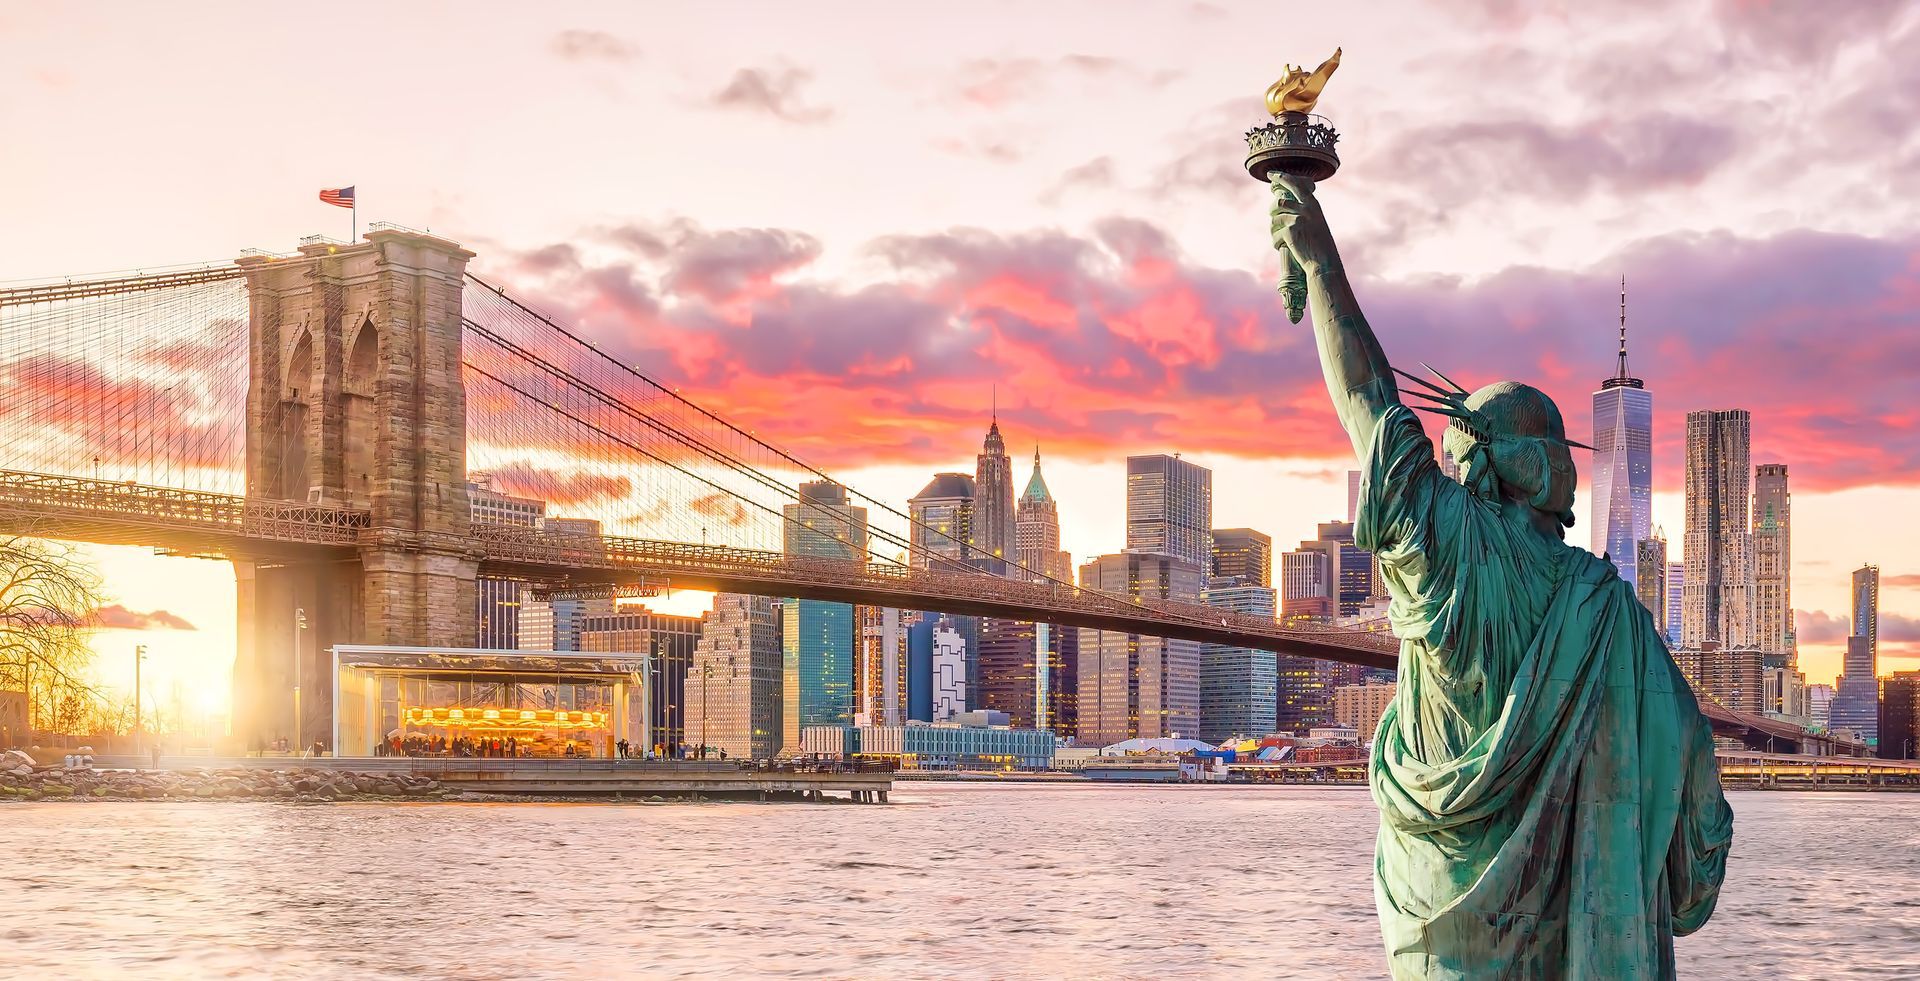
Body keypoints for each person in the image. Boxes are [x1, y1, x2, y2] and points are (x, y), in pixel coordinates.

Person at [1266, 171, 1731, 977]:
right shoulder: (1608, 610)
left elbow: (1372, 405)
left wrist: (1319, 263)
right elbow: (1693, 778)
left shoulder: (1449, 552)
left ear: (1471, 463)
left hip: (1441, 934)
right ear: (1552, 472)